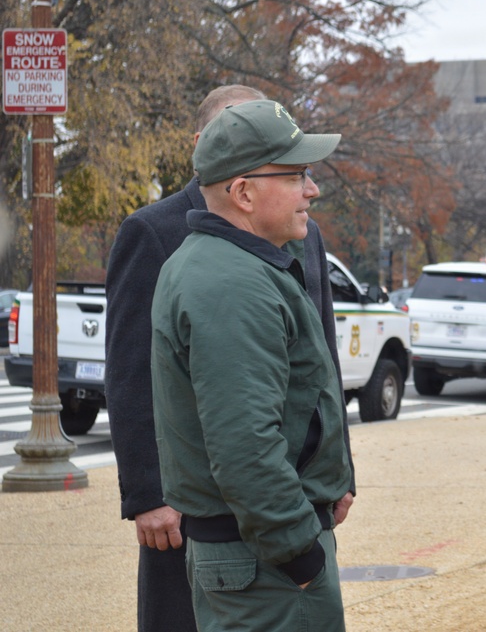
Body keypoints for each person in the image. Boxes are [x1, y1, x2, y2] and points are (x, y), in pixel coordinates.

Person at [105, 86, 355, 632]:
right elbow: (234, 435)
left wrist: (337, 471)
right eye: (294, 175)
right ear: (241, 191)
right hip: (254, 545)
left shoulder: (269, 245)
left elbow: (318, 369)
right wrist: (300, 554)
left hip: (263, 528)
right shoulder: (208, 266)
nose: (311, 191)